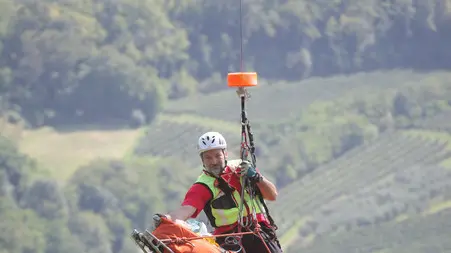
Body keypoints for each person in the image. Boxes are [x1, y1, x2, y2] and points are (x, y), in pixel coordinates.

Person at [164, 131, 283, 253]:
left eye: (217, 156)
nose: (214, 161)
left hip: (258, 232)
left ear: (225, 154)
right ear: (202, 160)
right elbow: (184, 211)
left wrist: (257, 177)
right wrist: (166, 220)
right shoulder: (203, 185)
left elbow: (272, 195)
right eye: (208, 157)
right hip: (228, 239)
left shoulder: (242, 169)